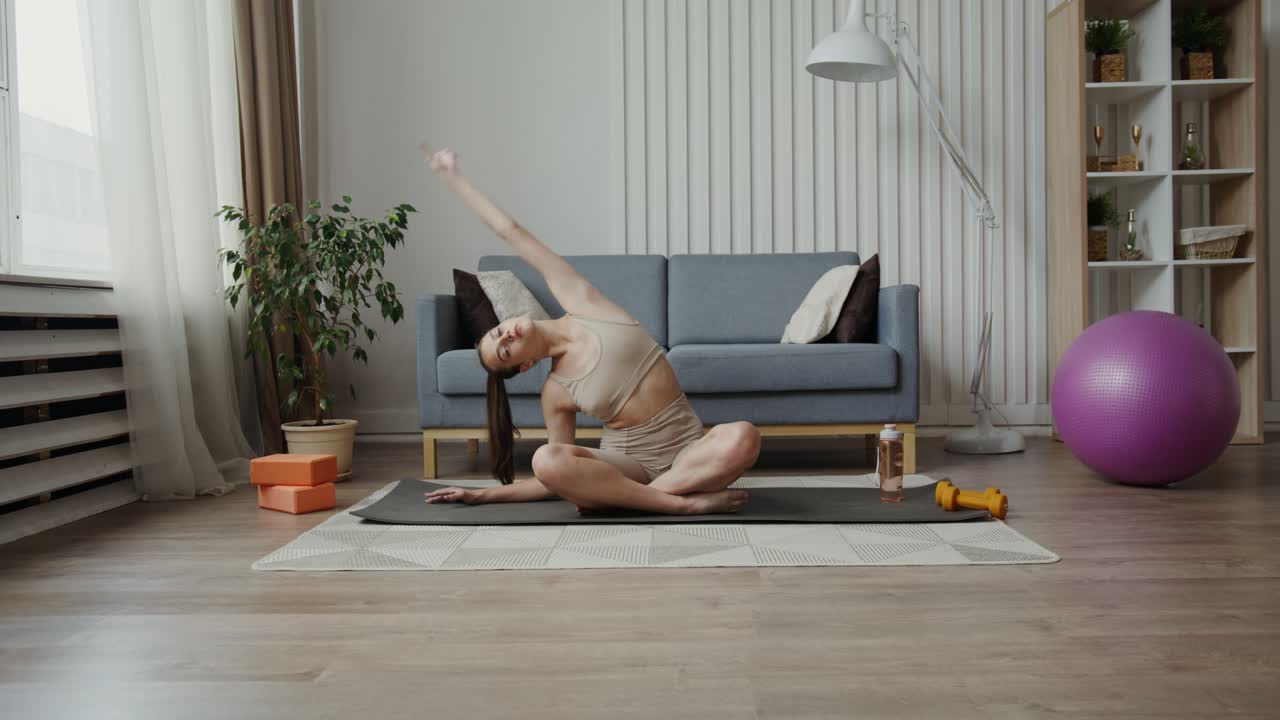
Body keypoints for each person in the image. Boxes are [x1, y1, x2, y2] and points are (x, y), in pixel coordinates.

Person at [420, 145, 759, 515]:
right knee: (546, 459)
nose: (505, 336)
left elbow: (509, 230)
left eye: (497, 332)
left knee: (743, 435)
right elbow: (553, 476)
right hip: (627, 467)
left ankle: (637, 502)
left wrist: (454, 177)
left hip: (690, 456)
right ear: (525, 366)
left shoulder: (581, 301)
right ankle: (681, 507)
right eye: (503, 350)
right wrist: (479, 495)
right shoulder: (556, 392)